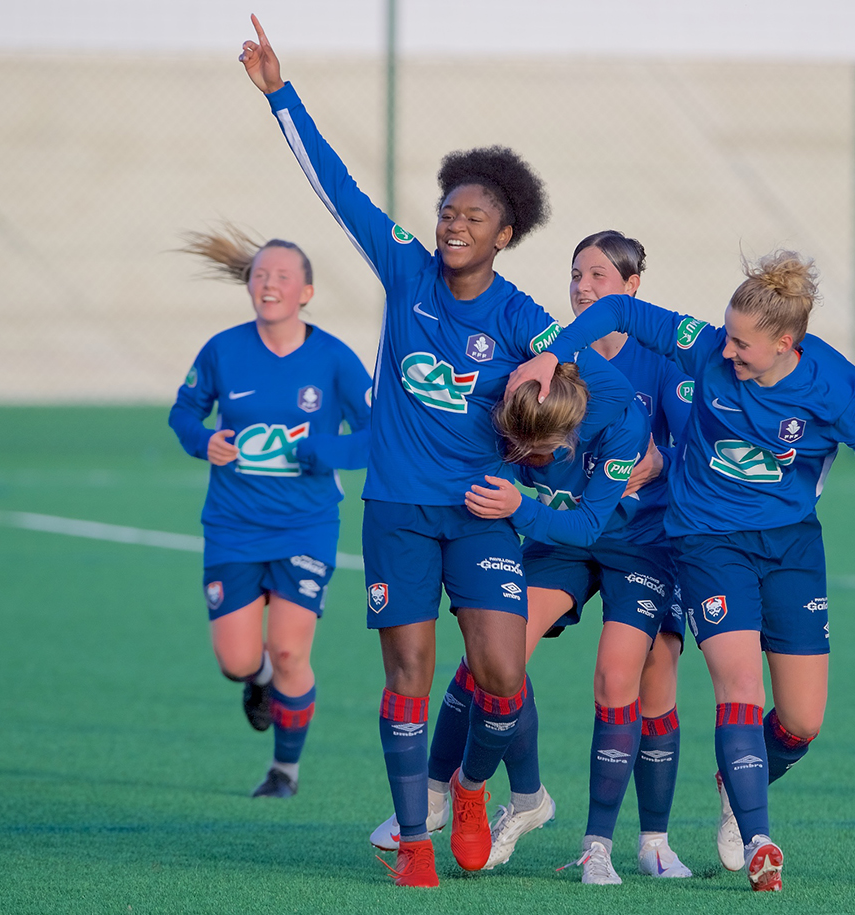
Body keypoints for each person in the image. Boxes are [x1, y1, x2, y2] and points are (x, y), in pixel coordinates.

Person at [239, 15, 626, 887]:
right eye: (449, 211)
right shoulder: (408, 270)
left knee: (501, 676)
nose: (454, 224)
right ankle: (415, 838)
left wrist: (553, 360)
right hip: (399, 511)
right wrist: (279, 95)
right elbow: (336, 189)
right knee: (408, 672)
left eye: (474, 218)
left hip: (482, 512)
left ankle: (476, 785)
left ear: (504, 235)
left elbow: (602, 387)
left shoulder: (523, 313)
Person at [508, 249, 855, 892]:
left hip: (792, 546)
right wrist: (556, 352)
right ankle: (761, 835)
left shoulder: (833, 386)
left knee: (801, 722)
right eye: (727, 335)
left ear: (786, 343)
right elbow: (620, 307)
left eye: (743, 344)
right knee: (740, 687)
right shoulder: (708, 349)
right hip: (707, 542)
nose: (728, 351)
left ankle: (734, 778)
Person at [372, 232, 695, 884]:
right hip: (556, 536)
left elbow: (690, 452)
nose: (583, 287)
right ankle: (496, 796)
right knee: (499, 655)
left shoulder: (655, 368)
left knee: (634, 673)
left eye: (599, 276)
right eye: (576, 273)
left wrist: (659, 462)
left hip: (637, 541)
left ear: (632, 286)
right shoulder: (543, 350)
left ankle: (638, 839)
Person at [168, 226, 372, 799]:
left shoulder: (333, 358)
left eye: (282, 276)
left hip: (305, 526)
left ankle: (285, 771)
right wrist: (201, 439)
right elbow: (184, 412)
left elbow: (376, 434)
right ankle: (254, 682)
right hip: (232, 527)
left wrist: (322, 452)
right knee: (238, 661)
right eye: (260, 275)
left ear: (305, 291)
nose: (269, 284)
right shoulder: (223, 350)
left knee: (288, 650)